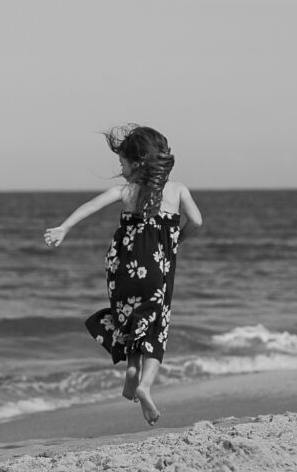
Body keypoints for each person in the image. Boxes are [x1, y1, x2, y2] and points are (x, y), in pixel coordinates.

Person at [44, 125, 202, 426]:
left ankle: (131, 369)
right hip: (157, 269)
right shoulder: (178, 189)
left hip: (122, 268)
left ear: (136, 162)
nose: (121, 168)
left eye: (123, 163)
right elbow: (197, 220)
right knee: (156, 325)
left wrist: (64, 228)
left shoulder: (125, 191)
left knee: (128, 317)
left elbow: (90, 206)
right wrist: (176, 240)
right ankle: (144, 384)